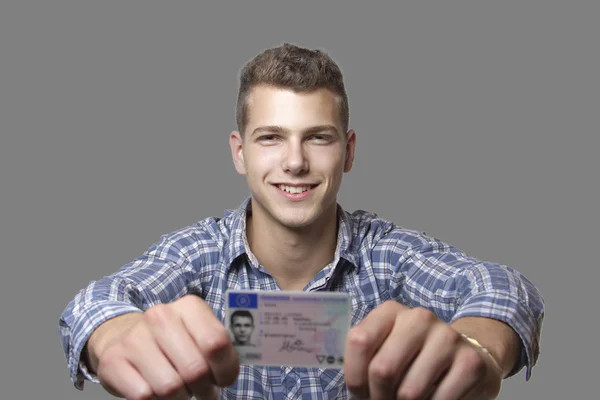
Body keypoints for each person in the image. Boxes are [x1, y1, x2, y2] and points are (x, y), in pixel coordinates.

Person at [59, 43, 545, 400]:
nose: (294, 162)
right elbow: (95, 301)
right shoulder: (198, 253)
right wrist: (116, 336)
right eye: (271, 137)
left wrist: (479, 347)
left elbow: (501, 286)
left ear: (348, 151)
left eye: (317, 138)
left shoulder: (386, 254)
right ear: (240, 152)